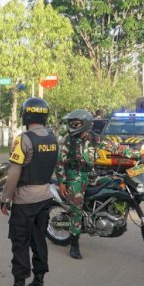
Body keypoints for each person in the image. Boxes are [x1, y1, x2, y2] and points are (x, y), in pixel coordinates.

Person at [0, 97, 58, 286]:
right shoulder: (53, 138)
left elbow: (14, 173)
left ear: (26, 115)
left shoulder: (23, 139)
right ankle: (39, 283)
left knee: (20, 242)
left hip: (25, 200)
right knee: (39, 239)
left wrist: (5, 198)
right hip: (45, 196)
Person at [55, 109, 100, 260]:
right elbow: (60, 162)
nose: (72, 125)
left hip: (91, 175)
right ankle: (74, 244)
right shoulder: (67, 140)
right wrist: (61, 182)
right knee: (76, 209)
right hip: (74, 177)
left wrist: (136, 154)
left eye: (76, 123)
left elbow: (114, 147)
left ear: (85, 123)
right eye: (71, 123)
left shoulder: (94, 138)